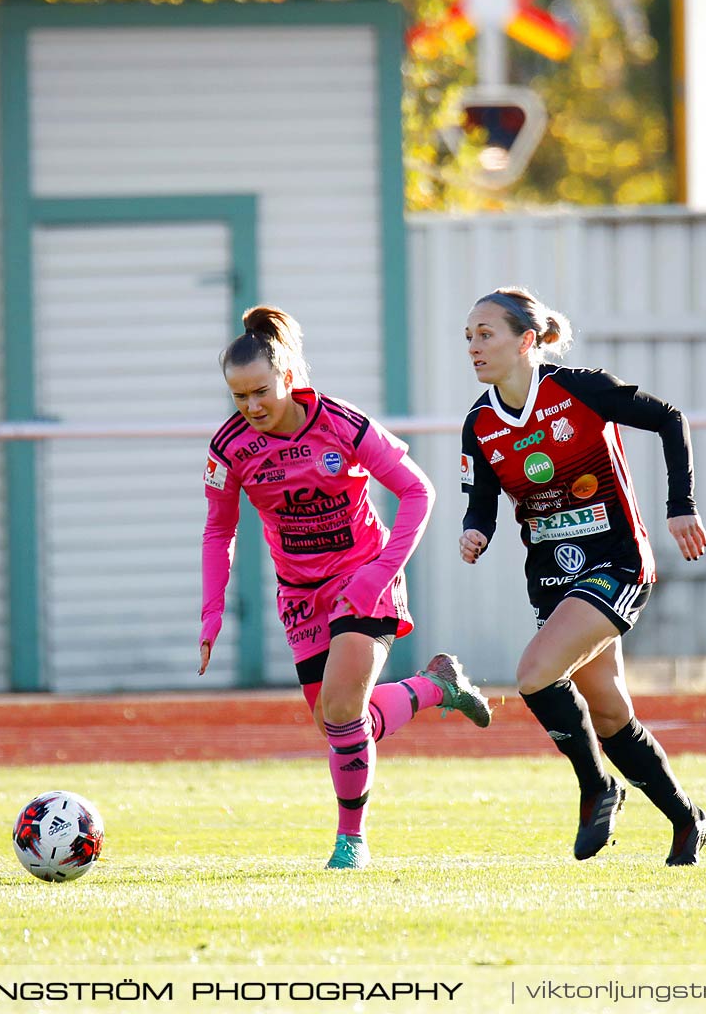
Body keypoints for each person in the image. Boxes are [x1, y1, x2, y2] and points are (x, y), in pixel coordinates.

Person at [200, 305, 493, 869]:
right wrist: (212, 613)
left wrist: (378, 574)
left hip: (364, 579)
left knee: (340, 712)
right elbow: (219, 529)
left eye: (262, 391)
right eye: (240, 397)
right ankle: (436, 686)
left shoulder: (341, 423)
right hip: (299, 595)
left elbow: (419, 493)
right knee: (338, 723)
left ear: (288, 377)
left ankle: (350, 843)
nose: (253, 407)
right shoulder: (230, 448)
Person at [458, 286, 706, 866]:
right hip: (553, 578)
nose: (473, 347)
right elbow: (481, 499)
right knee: (608, 712)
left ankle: (597, 786)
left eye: (485, 334)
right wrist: (475, 531)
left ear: (527, 340)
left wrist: (682, 505)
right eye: (468, 337)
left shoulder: (579, 388)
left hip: (617, 563)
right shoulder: (478, 423)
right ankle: (687, 818)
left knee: (532, 674)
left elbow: (670, 419)